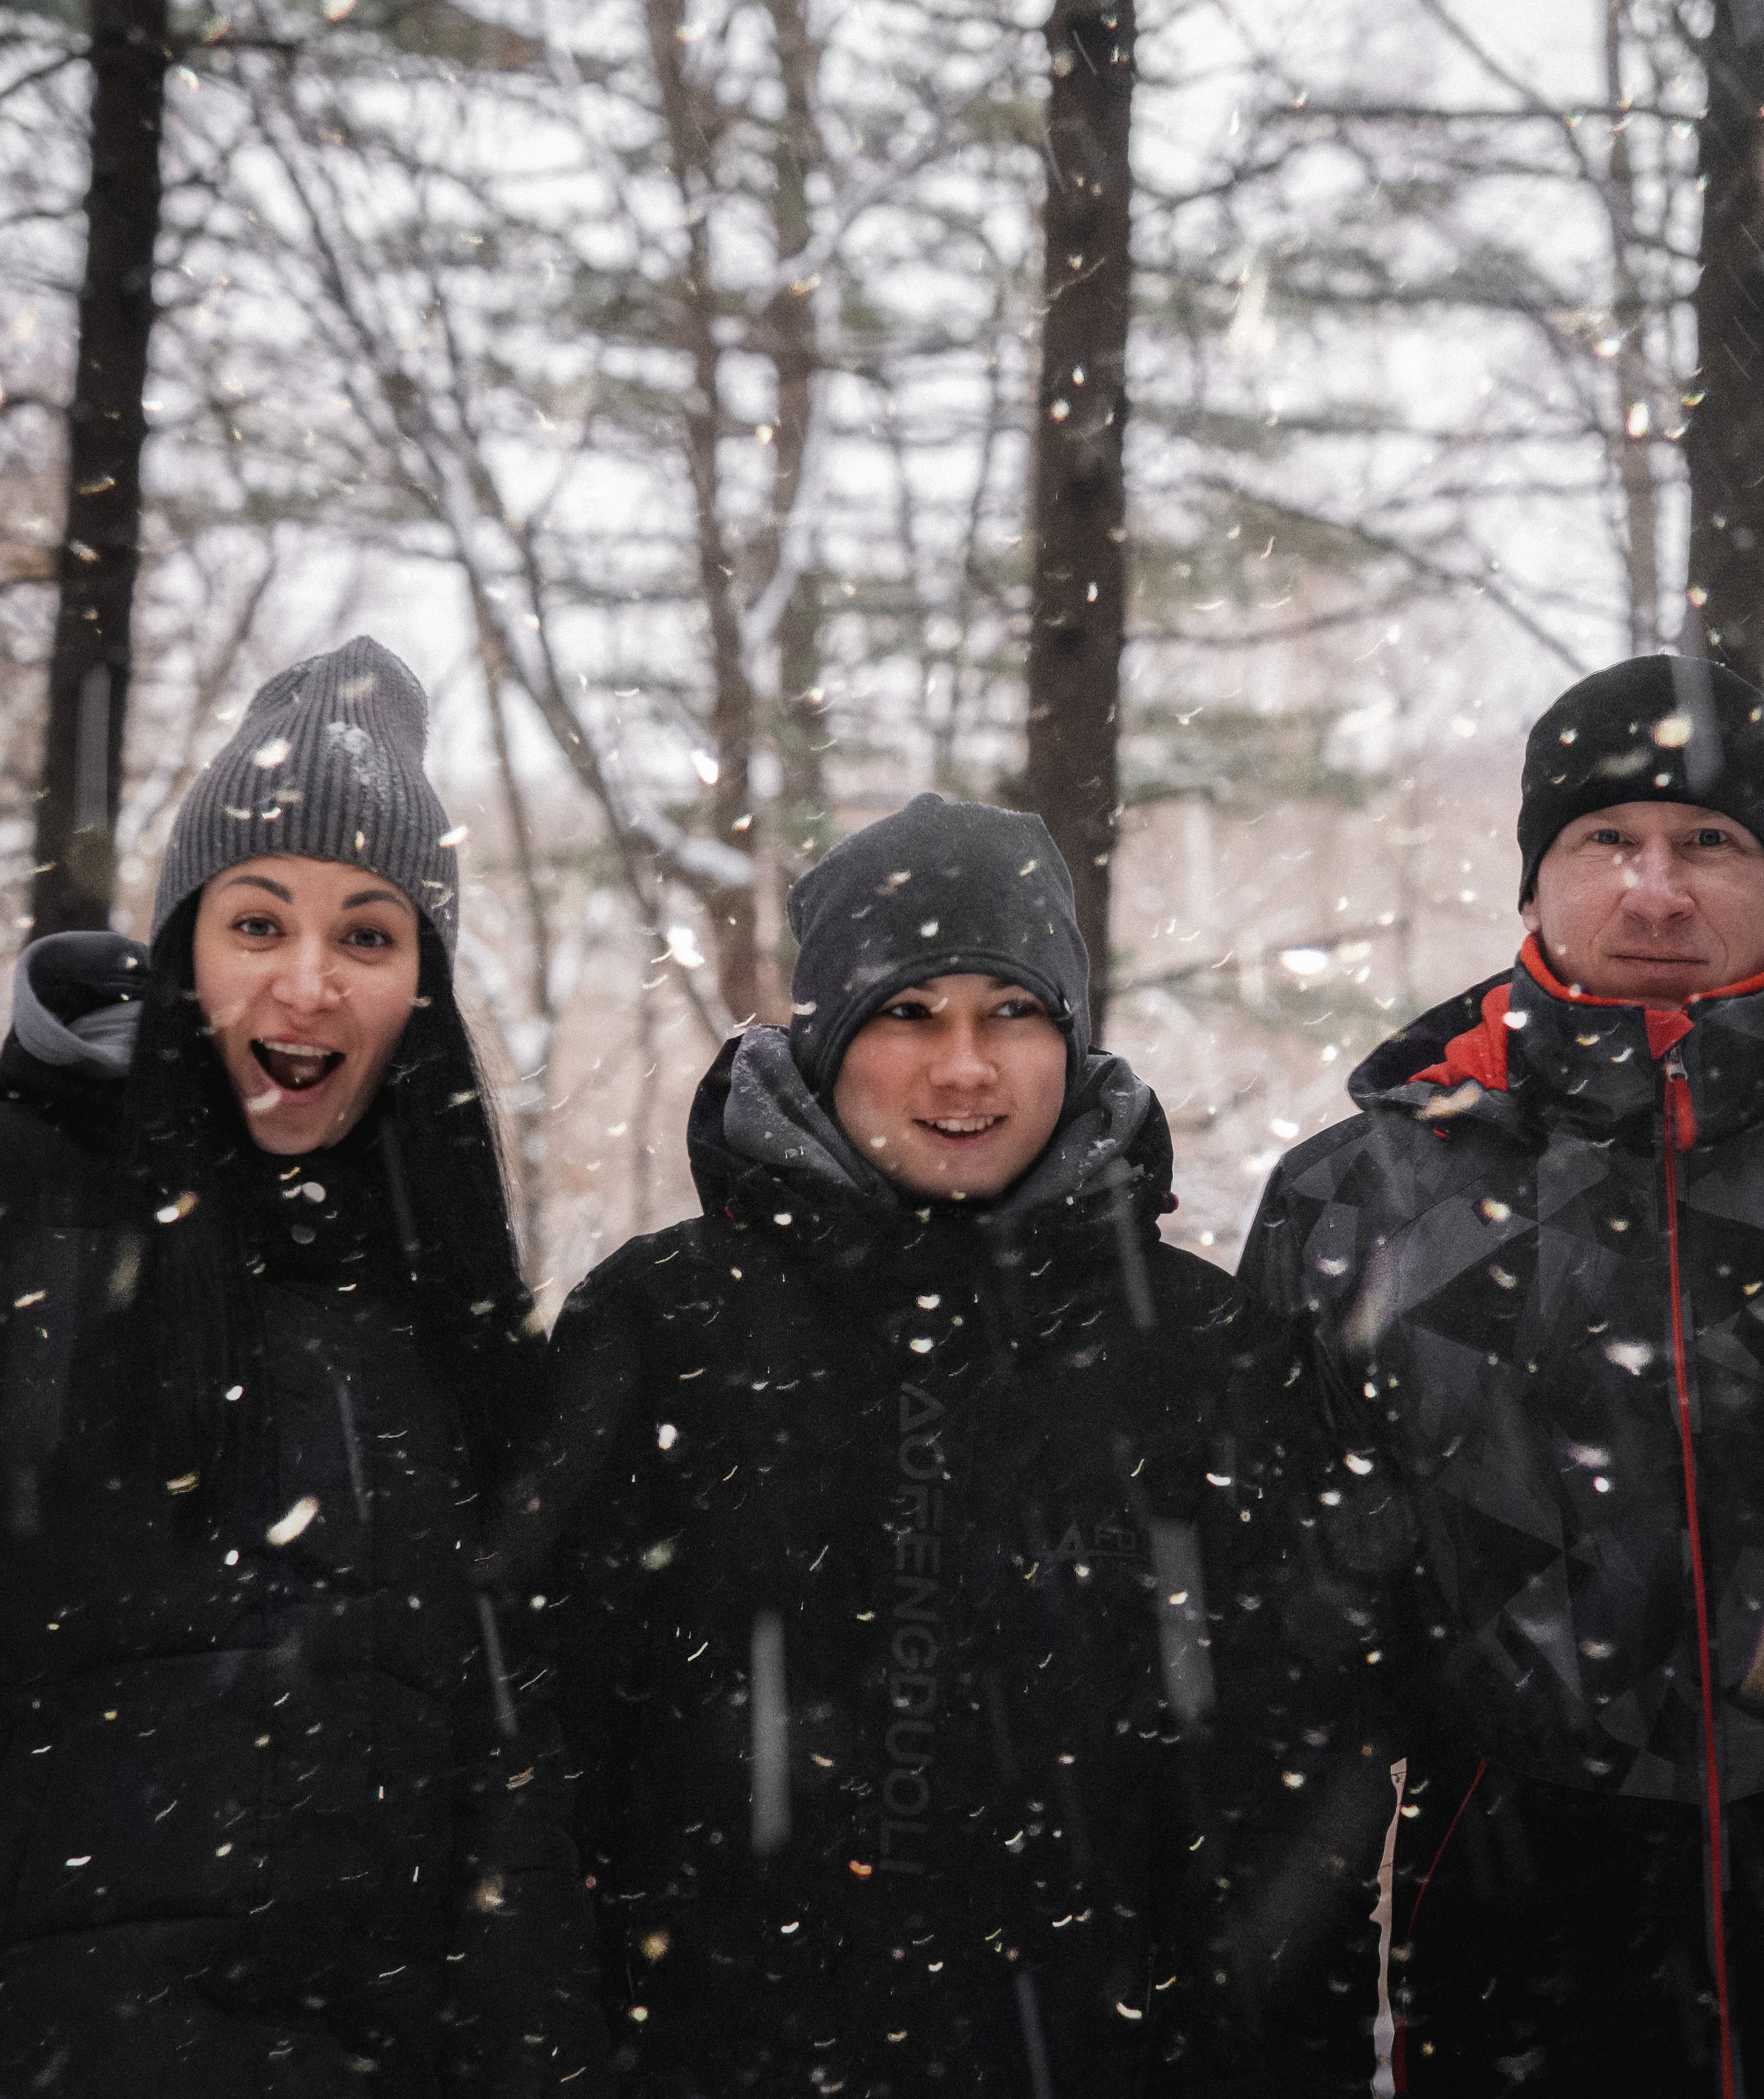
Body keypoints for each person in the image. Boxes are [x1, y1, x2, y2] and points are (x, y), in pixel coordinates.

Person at [537, 794, 1289, 2096]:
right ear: (827, 1039)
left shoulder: (1194, 1345)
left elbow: (1284, 1804)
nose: (965, 1068)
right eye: (909, 1013)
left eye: (1013, 1011)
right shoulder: (661, 1324)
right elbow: (549, 1768)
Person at [0, 637, 606, 2096]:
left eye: (368, 936)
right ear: (184, 948)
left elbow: (509, 1809)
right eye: (258, 924)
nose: (306, 984)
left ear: (420, 988)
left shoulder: (451, 1332)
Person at [1234, 653, 1764, 2095]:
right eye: (1602, 839)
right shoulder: (1358, 1200)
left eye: (1709, 841)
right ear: (1530, 885)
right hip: (1514, 1949)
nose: (1653, 888)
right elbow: (1277, 1667)